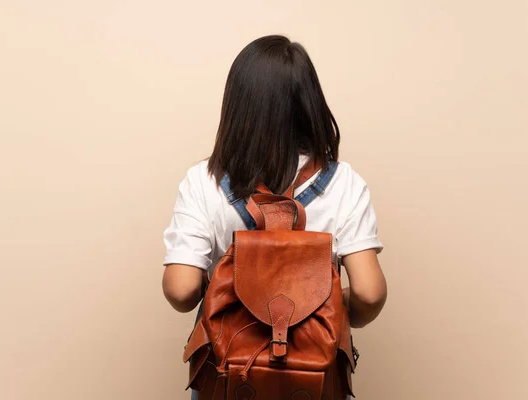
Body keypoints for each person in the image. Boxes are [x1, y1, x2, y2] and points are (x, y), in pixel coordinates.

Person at [162, 35, 387, 399]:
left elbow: (181, 288)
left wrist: (236, 296)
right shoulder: (345, 184)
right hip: (313, 380)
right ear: (311, 104)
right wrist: (322, 303)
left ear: (238, 106)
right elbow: (370, 293)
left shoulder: (203, 182)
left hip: (230, 376)